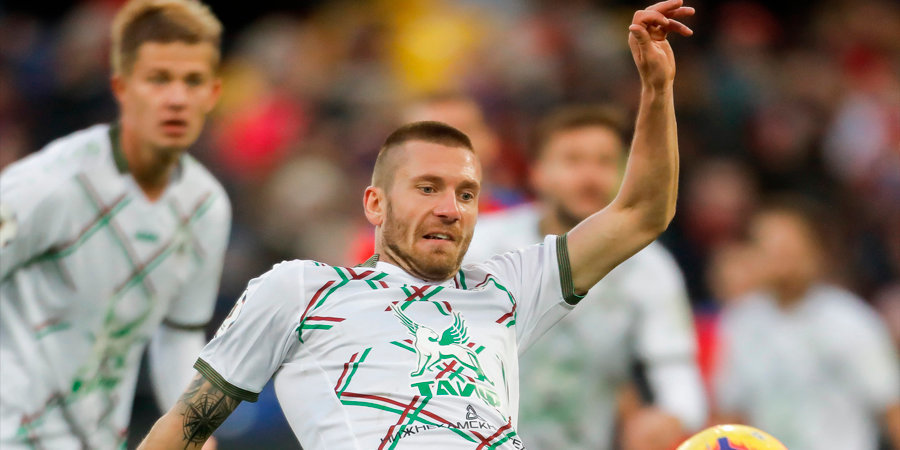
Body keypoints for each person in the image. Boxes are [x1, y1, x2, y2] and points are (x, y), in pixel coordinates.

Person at [140, 1, 694, 448]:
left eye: (466, 194)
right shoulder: (300, 290)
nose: (450, 208)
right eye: (427, 188)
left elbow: (640, 213)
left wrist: (657, 88)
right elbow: (185, 428)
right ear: (375, 204)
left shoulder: (508, 288)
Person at [0, 0, 229, 448]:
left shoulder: (207, 206)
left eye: (192, 81)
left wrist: (197, 431)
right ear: (122, 87)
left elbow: (178, 335)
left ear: (213, 93)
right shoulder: (46, 187)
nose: (177, 98)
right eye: (158, 79)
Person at [463, 105, 706, 449]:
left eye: (605, 162)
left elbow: (675, 365)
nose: (590, 177)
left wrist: (671, 415)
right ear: (537, 172)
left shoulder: (649, 267)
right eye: (573, 160)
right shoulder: (480, 246)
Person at [713, 198, 900, 450]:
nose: (780, 258)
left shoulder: (850, 320)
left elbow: (891, 406)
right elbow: (730, 413)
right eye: (769, 246)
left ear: (815, 252)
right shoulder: (741, 322)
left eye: (789, 247)